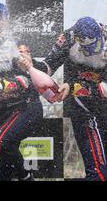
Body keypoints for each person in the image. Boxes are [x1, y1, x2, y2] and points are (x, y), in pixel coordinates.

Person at [0, 2, 43, 181]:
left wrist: (4, 85)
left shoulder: (15, 46)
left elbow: (26, 82)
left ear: (4, 22)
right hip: (4, 113)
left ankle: (26, 177)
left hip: (27, 108)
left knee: (2, 141)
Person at [33, 16, 106, 181]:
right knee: (98, 173)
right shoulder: (68, 38)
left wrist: (72, 86)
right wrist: (30, 66)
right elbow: (48, 66)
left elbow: (102, 89)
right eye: (85, 49)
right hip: (82, 108)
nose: (89, 53)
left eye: (93, 48)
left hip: (103, 106)